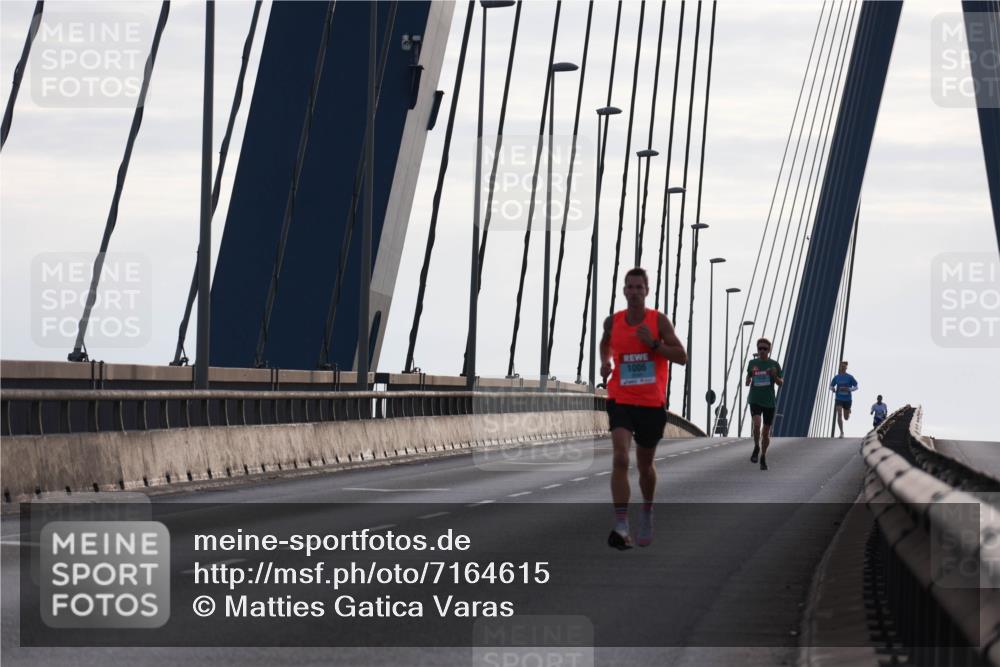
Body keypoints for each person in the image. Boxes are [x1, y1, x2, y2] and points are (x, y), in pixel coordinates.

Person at [600, 267, 687, 550]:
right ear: (623, 291)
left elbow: (681, 356)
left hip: (651, 403)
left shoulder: (658, 321)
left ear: (647, 291)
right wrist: (606, 362)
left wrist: (653, 344)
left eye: (640, 287)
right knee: (621, 457)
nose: (634, 292)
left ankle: (647, 510)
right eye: (630, 287)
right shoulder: (613, 322)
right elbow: (605, 343)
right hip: (621, 399)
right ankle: (622, 524)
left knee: (645, 465)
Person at [745, 338, 783, 471]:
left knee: (766, 432)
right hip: (755, 399)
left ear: (769, 350)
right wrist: (749, 378)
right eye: (759, 348)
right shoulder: (752, 363)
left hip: (769, 401)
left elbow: (780, 383)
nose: (761, 351)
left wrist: (775, 376)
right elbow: (747, 379)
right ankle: (756, 446)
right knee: (756, 424)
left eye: (764, 349)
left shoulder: (775, 365)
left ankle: (763, 456)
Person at [829, 361, 858, 438]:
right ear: (839, 367)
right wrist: (833, 389)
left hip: (847, 399)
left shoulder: (850, 377)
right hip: (839, 398)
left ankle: (849, 411)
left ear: (846, 368)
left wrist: (849, 389)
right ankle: (842, 432)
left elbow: (856, 386)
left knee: (846, 418)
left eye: (844, 367)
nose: (842, 368)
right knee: (839, 414)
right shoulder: (836, 377)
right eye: (841, 367)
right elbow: (831, 386)